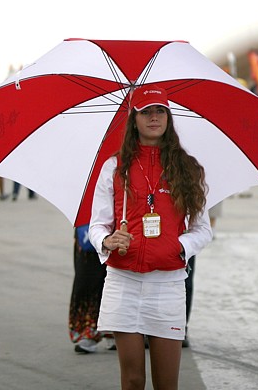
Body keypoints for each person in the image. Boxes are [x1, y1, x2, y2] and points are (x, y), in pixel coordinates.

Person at [89, 84, 212, 390]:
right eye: (146, 112)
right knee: (132, 380)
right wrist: (107, 241)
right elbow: (96, 225)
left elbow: (203, 230)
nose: (154, 117)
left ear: (169, 118)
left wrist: (178, 246)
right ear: (134, 119)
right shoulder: (115, 167)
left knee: (166, 383)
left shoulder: (188, 168)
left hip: (168, 284)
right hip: (123, 282)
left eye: (160, 111)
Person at [69, 224, 115, 353]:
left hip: (127, 226)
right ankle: (87, 331)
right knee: (86, 280)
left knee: (118, 282)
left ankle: (114, 331)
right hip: (89, 228)